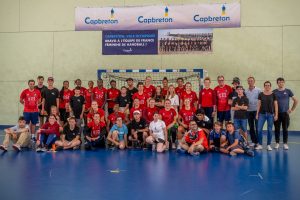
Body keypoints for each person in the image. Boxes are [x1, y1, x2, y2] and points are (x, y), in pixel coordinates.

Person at [273, 77, 298, 150]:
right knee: (277, 129)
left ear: (284, 83)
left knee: (285, 129)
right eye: (279, 82)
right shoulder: (274, 92)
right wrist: (274, 113)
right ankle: (277, 143)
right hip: (277, 114)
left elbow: (296, 100)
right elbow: (271, 102)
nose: (281, 83)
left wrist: (291, 109)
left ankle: (285, 143)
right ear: (277, 83)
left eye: (282, 82)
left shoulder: (288, 91)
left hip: (285, 114)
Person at [255, 81, 278, 151]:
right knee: (259, 129)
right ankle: (260, 145)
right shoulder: (261, 94)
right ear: (264, 86)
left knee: (270, 130)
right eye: (266, 85)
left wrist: (276, 114)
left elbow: (276, 105)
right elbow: (258, 104)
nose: (267, 86)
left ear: (270, 86)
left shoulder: (273, 94)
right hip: (262, 114)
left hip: (270, 114)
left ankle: (268, 145)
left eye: (268, 85)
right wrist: (257, 114)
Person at [245, 76, 261, 147]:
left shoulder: (258, 90)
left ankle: (258, 142)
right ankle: (253, 141)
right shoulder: (245, 91)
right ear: (247, 82)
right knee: (251, 127)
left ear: (254, 81)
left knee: (257, 127)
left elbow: (261, 100)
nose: (250, 82)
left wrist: (259, 110)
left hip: (257, 111)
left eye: (251, 81)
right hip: (249, 111)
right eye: (249, 81)